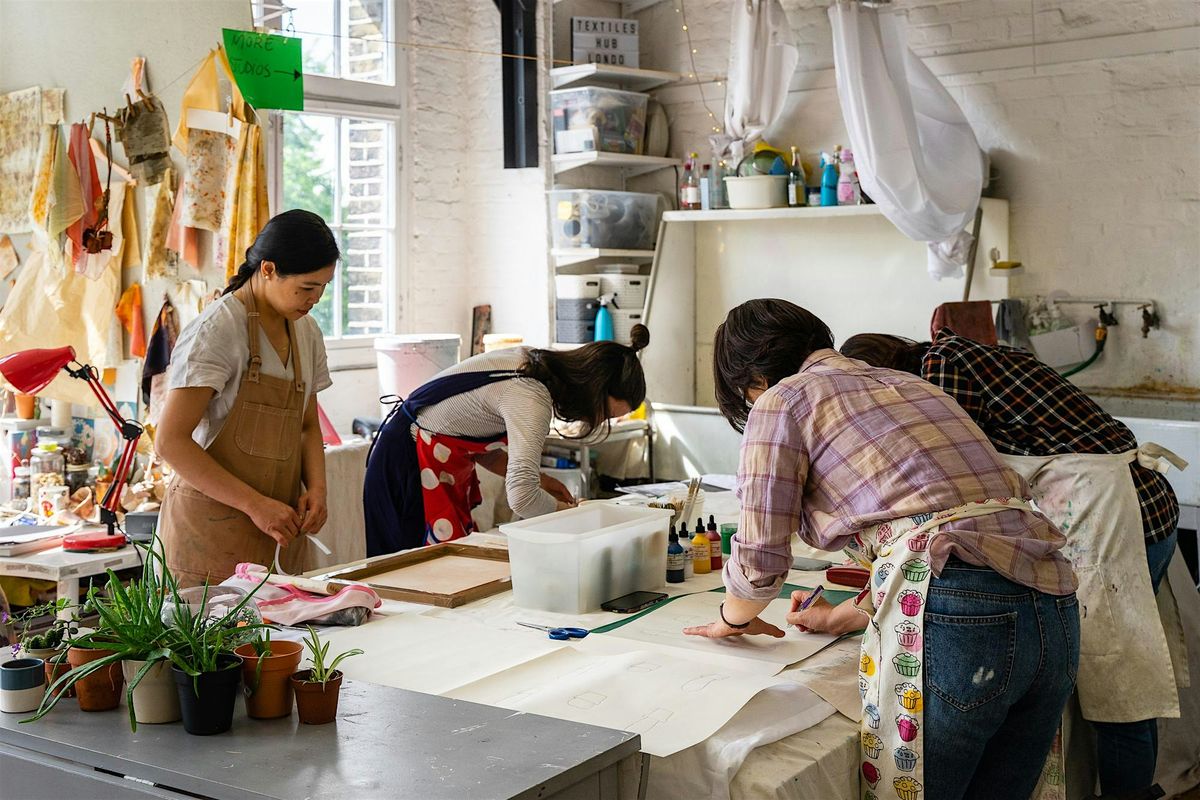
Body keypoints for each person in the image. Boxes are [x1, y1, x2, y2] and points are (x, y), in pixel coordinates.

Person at [683, 299, 1079, 800]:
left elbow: (760, 558)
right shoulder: (911, 385)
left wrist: (732, 618)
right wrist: (842, 617)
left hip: (965, 620)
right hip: (1053, 605)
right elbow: (938, 528)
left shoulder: (781, 400)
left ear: (751, 378)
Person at [842, 329, 1185, 798]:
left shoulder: (939, 369)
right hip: (1125, 502)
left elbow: (950, 475)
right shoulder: (955, 352)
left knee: (1118, 685)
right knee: (1119, 678)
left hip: (1109, 512)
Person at [157, 210, 338, 587]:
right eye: (306, 288)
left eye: (323, 287)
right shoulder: (218, 330)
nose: (315, 299)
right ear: (268, 269)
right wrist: (255, 505)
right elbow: (170, 442)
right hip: (209, 533)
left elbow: (306, 426)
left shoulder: (307, 333)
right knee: (210, 645)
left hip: (277, 531)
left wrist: (317, 491)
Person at [364, 326, 650, 555]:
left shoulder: (534, 365)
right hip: (405, 464)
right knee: (409, 574)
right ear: (594, 388)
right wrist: (573, 517)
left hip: (420, 454)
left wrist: (541, 480)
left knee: (437, 565)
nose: (599, 421)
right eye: (605, 413)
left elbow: (476, 446)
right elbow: (522, 496)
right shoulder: (531, 395)